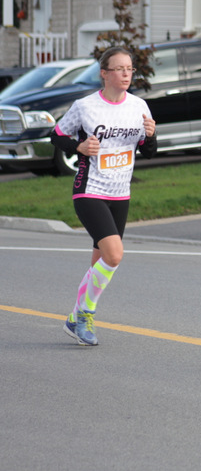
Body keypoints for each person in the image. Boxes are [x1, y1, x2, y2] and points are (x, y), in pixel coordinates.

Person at [51, 47, 157, 346]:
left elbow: (149, 151)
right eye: (119, 68)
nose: (126, 74)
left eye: (130, 69)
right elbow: (57, 135)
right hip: (90, 190)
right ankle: (85, 315)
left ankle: (75, 318)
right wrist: (78, 147)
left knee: (101, 260)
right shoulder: (85, 106)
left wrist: (151, 135)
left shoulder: (139, 106)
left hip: (120, 193)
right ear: (104, 73)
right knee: (114, 255)